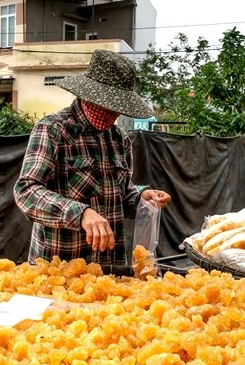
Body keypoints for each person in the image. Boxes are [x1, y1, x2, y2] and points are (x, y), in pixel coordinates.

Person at [13, 49, 171, 267]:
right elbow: (26, 191)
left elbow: (121, 195)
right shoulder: (53, 130)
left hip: (108, 267)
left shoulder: (119, 140)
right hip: (58, 271)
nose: (111, 113)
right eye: (105, 104)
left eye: (118, 108)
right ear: (88, 94)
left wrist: (141, 198)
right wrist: (79, 213)